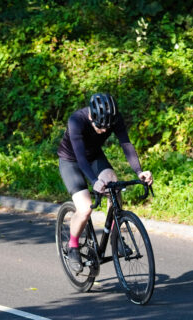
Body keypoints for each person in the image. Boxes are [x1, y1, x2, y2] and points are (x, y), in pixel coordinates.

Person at [57, 93, 153, 272]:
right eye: (99, 127)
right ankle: (73, 246)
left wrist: (139, 171)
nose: (102, 131)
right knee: (85, 208)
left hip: (94, 157)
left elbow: (126, 145)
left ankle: (116, 237)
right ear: (91, 117)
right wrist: (94, 181)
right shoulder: (76, 121)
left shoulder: (114, 119)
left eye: (106, 127)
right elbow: (79, 156)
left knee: (114, 186)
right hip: (71, 161)